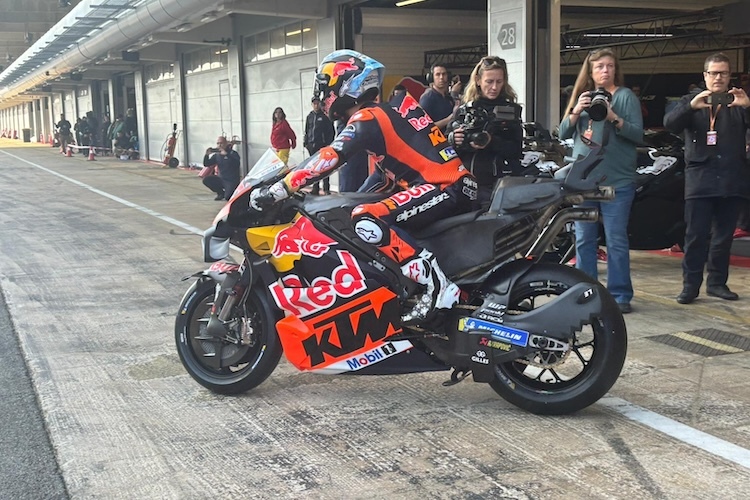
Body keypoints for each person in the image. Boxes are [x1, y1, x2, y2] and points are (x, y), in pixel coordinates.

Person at [248, 49, 477, 324]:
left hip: (444, 186)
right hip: (450, 185)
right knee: (358, 211)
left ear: (346, 83)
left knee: (364, 218)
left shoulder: (368, 118)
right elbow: (386, 177)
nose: (324, 94)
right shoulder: (386, 113)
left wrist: (280, 188)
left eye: (326, 85)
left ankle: (438, 286)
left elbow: (329, 157)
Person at [559, 47, 644, 314]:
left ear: (615, 69)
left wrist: (613, 117)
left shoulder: (625, 96)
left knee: (616, 238)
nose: (605, 70)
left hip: (617, 179)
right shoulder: (582, 96)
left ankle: (620, 295)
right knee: (584, 238)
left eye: (609, 66)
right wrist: (576, 110)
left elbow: (637, 135)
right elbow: (562, 131)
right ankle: (586, 292)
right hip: (585, 179)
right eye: (599, 67)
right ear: (591, 72)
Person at [663, 52, 750, 304]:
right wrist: (690, 107)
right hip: (700, 180)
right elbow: (670, 124)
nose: (718, 78)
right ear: (705, 76)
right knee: (695, 237)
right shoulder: (691, 101)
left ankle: (717, 283)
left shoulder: (738, 101)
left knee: (723, 238)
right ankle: (690, 286)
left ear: (729, 75)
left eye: (723, 73)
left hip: (732, 180)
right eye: (713, 73)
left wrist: (748, 106)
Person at [446, 55, 524, 202]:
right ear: (478, 80)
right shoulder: (463, 110)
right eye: (489, 81)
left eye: (499, 82)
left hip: (499, 184)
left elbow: (516, 150)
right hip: (465, 182)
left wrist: (491, 142)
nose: (494, 87)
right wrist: (454, 140)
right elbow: (442, 149)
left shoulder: (511, 110)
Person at [303, 96, 335, 195]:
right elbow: (307, 131)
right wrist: (306, 142)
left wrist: (327, 144)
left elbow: (331, 132)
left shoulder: (325, 117)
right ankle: (315, 188)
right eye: (314, 103)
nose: (316, 105)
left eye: (317, 103)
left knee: (324, 167)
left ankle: (326, 188)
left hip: (322, 146)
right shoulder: (310, 116)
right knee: (313, 168)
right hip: (312, 146)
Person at [202, 136, 241, 201]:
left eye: (221, 143)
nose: (219, 145)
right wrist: (206, 155)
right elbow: (206, 164)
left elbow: (237, 164)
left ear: (226, 144)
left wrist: (226, 155)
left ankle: (228, 193)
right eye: (218, 143)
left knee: (228, 197)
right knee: (206, 180)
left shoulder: (232, 153)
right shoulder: (217, 155)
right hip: (221, 178)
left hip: (231, 181)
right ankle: (220, 193)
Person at [419, 63, 456, 131]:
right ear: (432, 78)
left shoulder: (449, 98)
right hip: (434, 140)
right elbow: (424, 128)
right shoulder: (427, 98)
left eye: (444, 74)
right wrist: (448, 120)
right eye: (438, 74)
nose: (441, 77)